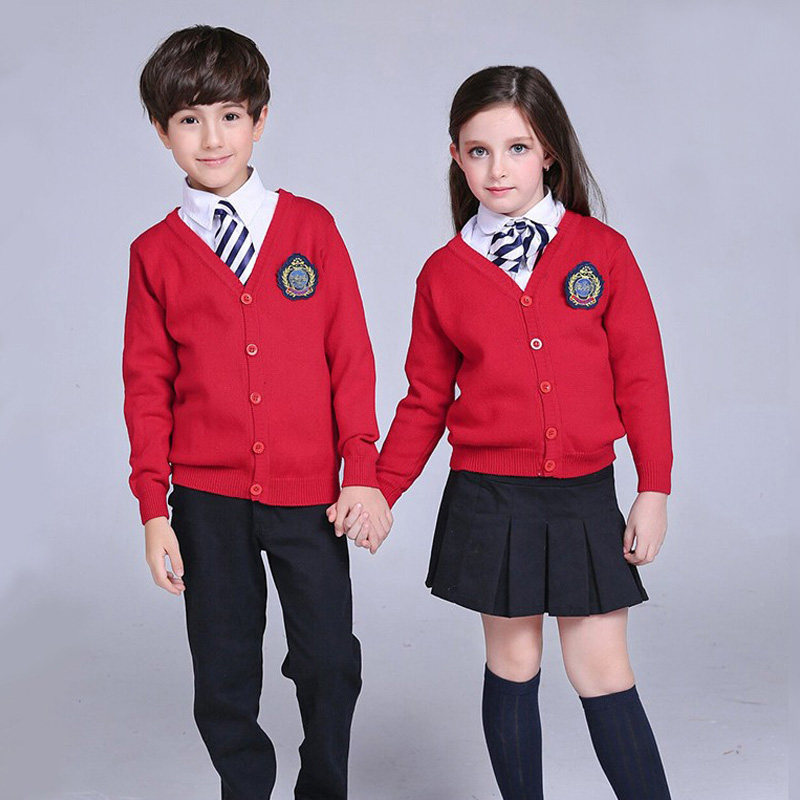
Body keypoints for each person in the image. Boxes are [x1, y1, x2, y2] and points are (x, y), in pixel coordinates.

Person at [360, 65, 673, 799]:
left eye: (517, 149)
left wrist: (653, 487)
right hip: (490, 498)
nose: (497, 169)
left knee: (602, 669)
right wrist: (379, 489)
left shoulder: (602, 252)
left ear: (549, 153)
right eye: (478, 151)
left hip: (583, 494)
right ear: (456, 157)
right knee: (514, 661)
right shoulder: (444, 274)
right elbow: (424, 400)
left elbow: (643, 379)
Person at [122, 25, 391, 800]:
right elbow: (146, 385)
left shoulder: (311, 229)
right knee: (223, 669)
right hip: (207, 502)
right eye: (190, 119)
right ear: (162, 131)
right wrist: (153, 507)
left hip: (311, 495)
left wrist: (362, 470)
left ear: (261, 119)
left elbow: (352, 357)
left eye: (230, 115)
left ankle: (323, 788)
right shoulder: (155, 254)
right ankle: (245, 789)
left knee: (330, 660)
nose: (212, 138)